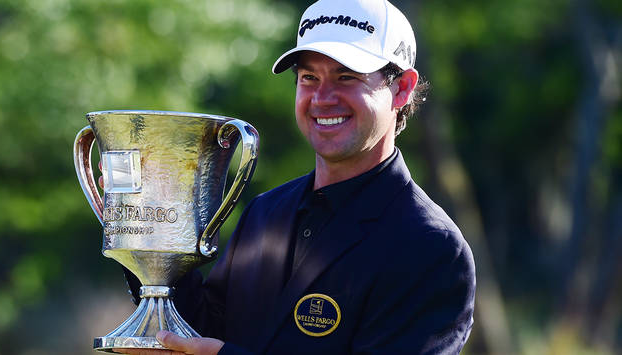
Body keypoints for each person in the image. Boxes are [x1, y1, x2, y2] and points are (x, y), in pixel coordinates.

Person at [117, 0, 476, 354]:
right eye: (309, 78)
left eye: (346, 76)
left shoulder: (431, 248)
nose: (322, 98)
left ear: (402, 88)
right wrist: (148, 236)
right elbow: (199, 330)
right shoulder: (264, 213)